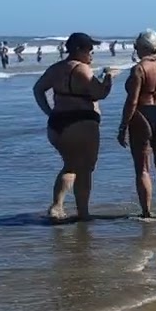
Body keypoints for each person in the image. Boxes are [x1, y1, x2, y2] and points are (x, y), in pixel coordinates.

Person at [33, 33, 115, 221]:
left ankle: (57, 206)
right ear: (79, 49)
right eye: (89, 50)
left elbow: (38, 89)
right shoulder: (82, 70)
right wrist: (109, 77)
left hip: (56, 124)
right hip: (80, 123)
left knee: (71, 165)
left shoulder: (55, 69)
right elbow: (100, 93)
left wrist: (49, 111)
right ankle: (83, 213)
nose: (92, 54)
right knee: (85, 168)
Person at [118, 30, 156, 220]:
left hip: (142, 113)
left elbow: (132, 101)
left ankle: (146, 211)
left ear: (143, 48)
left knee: (142, 167)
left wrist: (123, 127)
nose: (135, 50)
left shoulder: (139, 69)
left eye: (137, 47)